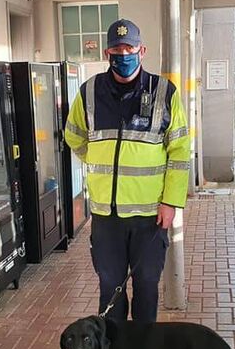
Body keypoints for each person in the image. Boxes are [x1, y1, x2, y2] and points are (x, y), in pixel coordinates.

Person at [64, 19, 190, 322]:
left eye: (129, 48)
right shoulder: (90, 91)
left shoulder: (164, 92)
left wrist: (171, 201)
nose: (123, 54)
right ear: (108, 53)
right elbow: (74, 136)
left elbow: (180, 151)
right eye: (116, 49)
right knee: (110, 286)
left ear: (142, 50)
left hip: (150, 215)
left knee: (146, 286)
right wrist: (98, 166)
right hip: (107, 216)